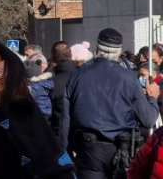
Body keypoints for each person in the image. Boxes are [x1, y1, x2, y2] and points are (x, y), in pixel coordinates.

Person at [62, 28, 160, 179]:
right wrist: (152, 98)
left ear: (97, 49)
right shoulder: (129, 79)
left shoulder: (77, 76)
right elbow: (148, 119)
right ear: (119, 52)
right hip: (120, 150)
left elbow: (66, 119)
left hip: (89, 151)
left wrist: (65, 152)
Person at [49, 41, 76, 140]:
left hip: (59, 137)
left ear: (53, 58)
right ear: (71, 55)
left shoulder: (52, 83)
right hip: (82, 139)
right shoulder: (83, 76)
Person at [25, 54, 53, 121]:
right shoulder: (48, 82)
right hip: (48, 111)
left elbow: (29, 99)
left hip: (39, 113)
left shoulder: (33, 86)